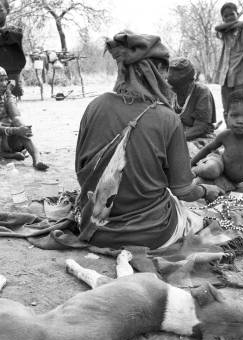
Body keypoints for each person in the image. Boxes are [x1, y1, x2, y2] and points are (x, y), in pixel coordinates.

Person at [75, 32, 223, 250]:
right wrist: (205, 191)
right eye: (165, 71)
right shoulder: (167, 118)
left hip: (95, 229)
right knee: (190, 213)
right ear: (157, 71)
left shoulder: (95, 106)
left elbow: (81, 171)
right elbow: (183, 191)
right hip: (153, 233)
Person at [190, 90, 243, 199]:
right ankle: (193, 170)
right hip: (218, 163)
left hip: (231, 181)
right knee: (211, 170)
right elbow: (208, 149)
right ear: (226, 115)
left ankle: (191, 178)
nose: (240, 121)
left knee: (197, 185)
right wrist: (191, 164)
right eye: (235, 115)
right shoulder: (225, 135)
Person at [0, 62, 47, 170]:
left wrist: (21, 128)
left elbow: (16, 117)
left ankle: (36, 157)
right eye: (0, 80)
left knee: (18, 123)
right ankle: (7, 154)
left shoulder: (7, 96)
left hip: (10, 139)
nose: (5, 84)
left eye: (6, 80)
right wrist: (16, 131)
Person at [167, 58, 217, 155]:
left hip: (199, 138)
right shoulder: (169, 91)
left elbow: (200, 128)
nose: (174, 89)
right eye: (173, 86)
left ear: (190, 82)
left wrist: (173, 140)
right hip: (176, 137)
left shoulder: (202, 92)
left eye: (178, 86)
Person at [214, 2, 243, 116]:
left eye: (232, 14)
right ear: (222, 18)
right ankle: (229, 128)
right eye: (226, 16)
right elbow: (217, 27)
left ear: (237, 14)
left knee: (242, 103)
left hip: (241, 74)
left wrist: (237, 24)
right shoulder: (223, 31)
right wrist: (235, 23)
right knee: (227, 104)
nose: (229, 17)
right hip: (225, 75)